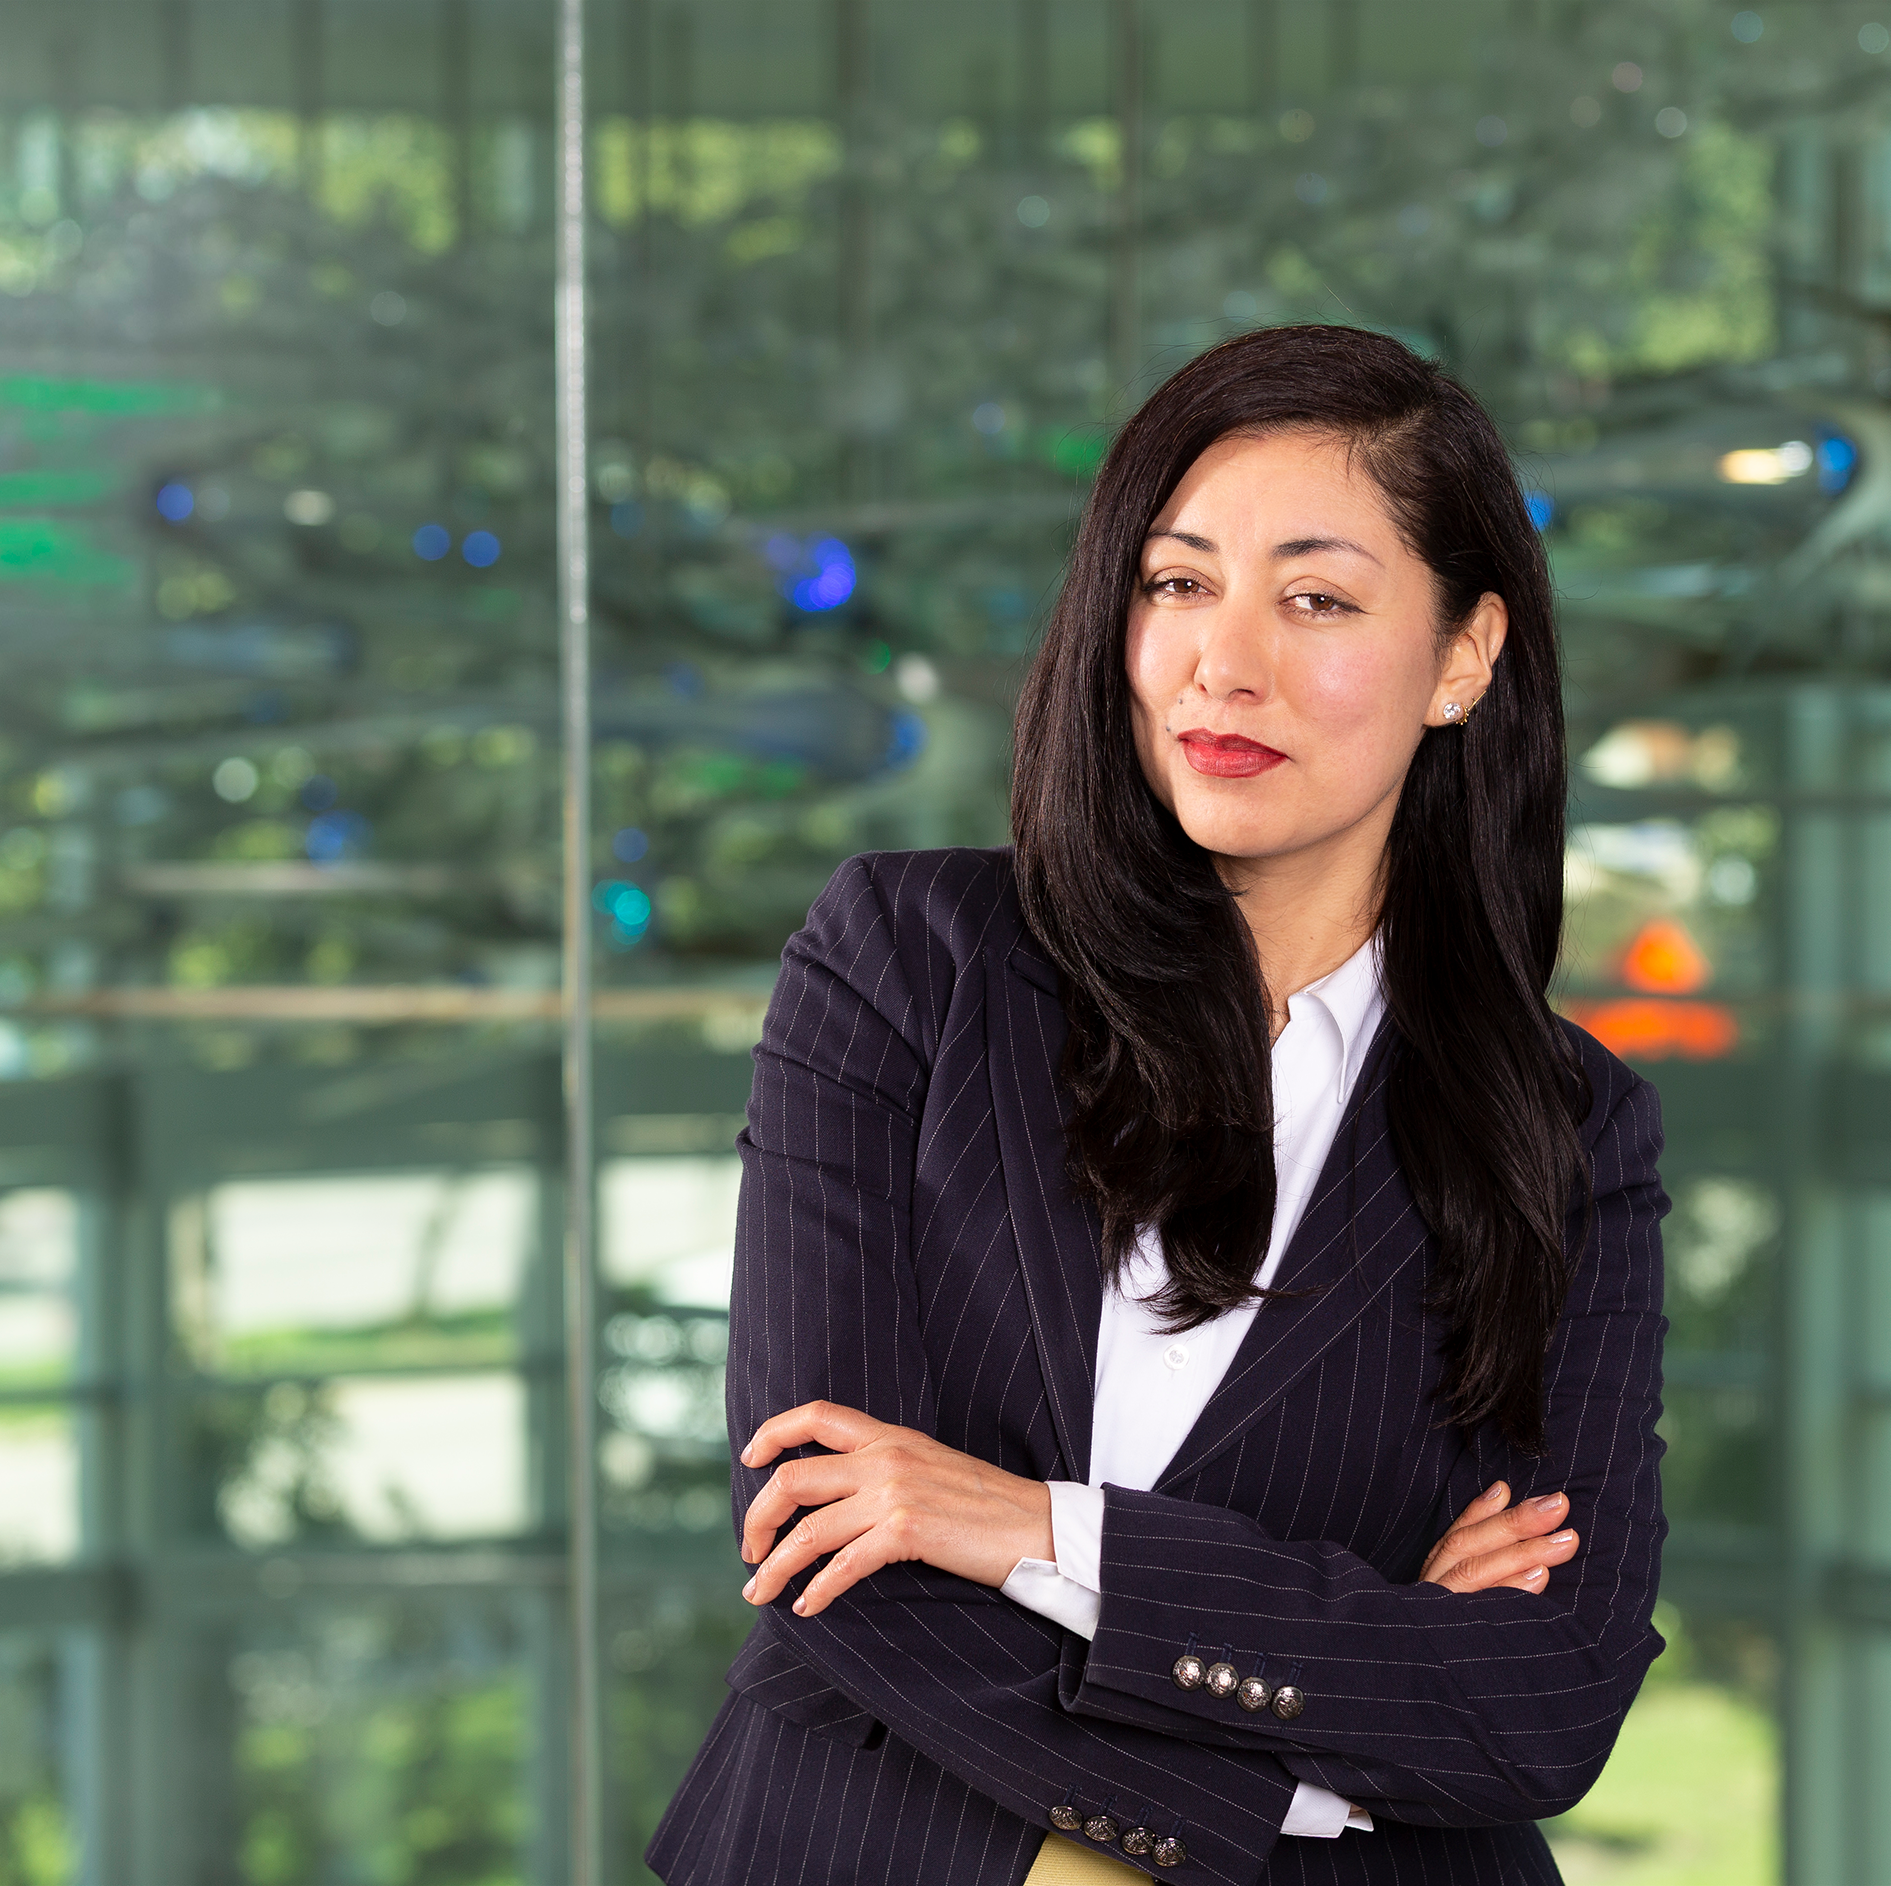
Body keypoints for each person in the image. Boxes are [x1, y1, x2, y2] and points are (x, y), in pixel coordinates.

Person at [646, 324, 1670, 1886]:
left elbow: (1536, 1705)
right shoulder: (906, 966)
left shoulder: (1567, 1130)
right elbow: (822, 1541)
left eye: (1316, 598)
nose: (1222, 662)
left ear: (1464, 657)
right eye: (1177, 583)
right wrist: (1310, 1743)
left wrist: (1038, 1531)